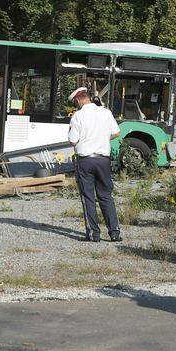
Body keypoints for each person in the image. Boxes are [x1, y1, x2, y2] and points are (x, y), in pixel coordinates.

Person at [67, 86, 122, 242]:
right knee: (106, 195)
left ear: (78, 99)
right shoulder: (106, 112)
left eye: (75, 102)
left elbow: (72, 140)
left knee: (88, 197)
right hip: (103, 160)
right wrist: (102, 139)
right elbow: (117, 132)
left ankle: (94, 234)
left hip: (85, 160)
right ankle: (114, 232)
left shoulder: (77, 116)